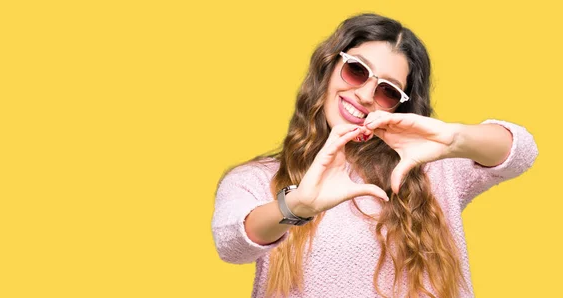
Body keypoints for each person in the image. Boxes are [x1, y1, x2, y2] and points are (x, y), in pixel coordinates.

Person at [211, 13, 538, 298]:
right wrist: (295, 206)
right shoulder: (255, 179)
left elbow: (522, 151)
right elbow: (231, 245)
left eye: (387, 91)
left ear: (399, 104)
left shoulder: (427, 168)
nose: (366, 95)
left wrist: (456, 138)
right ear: (329, 66)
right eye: (356, 70)